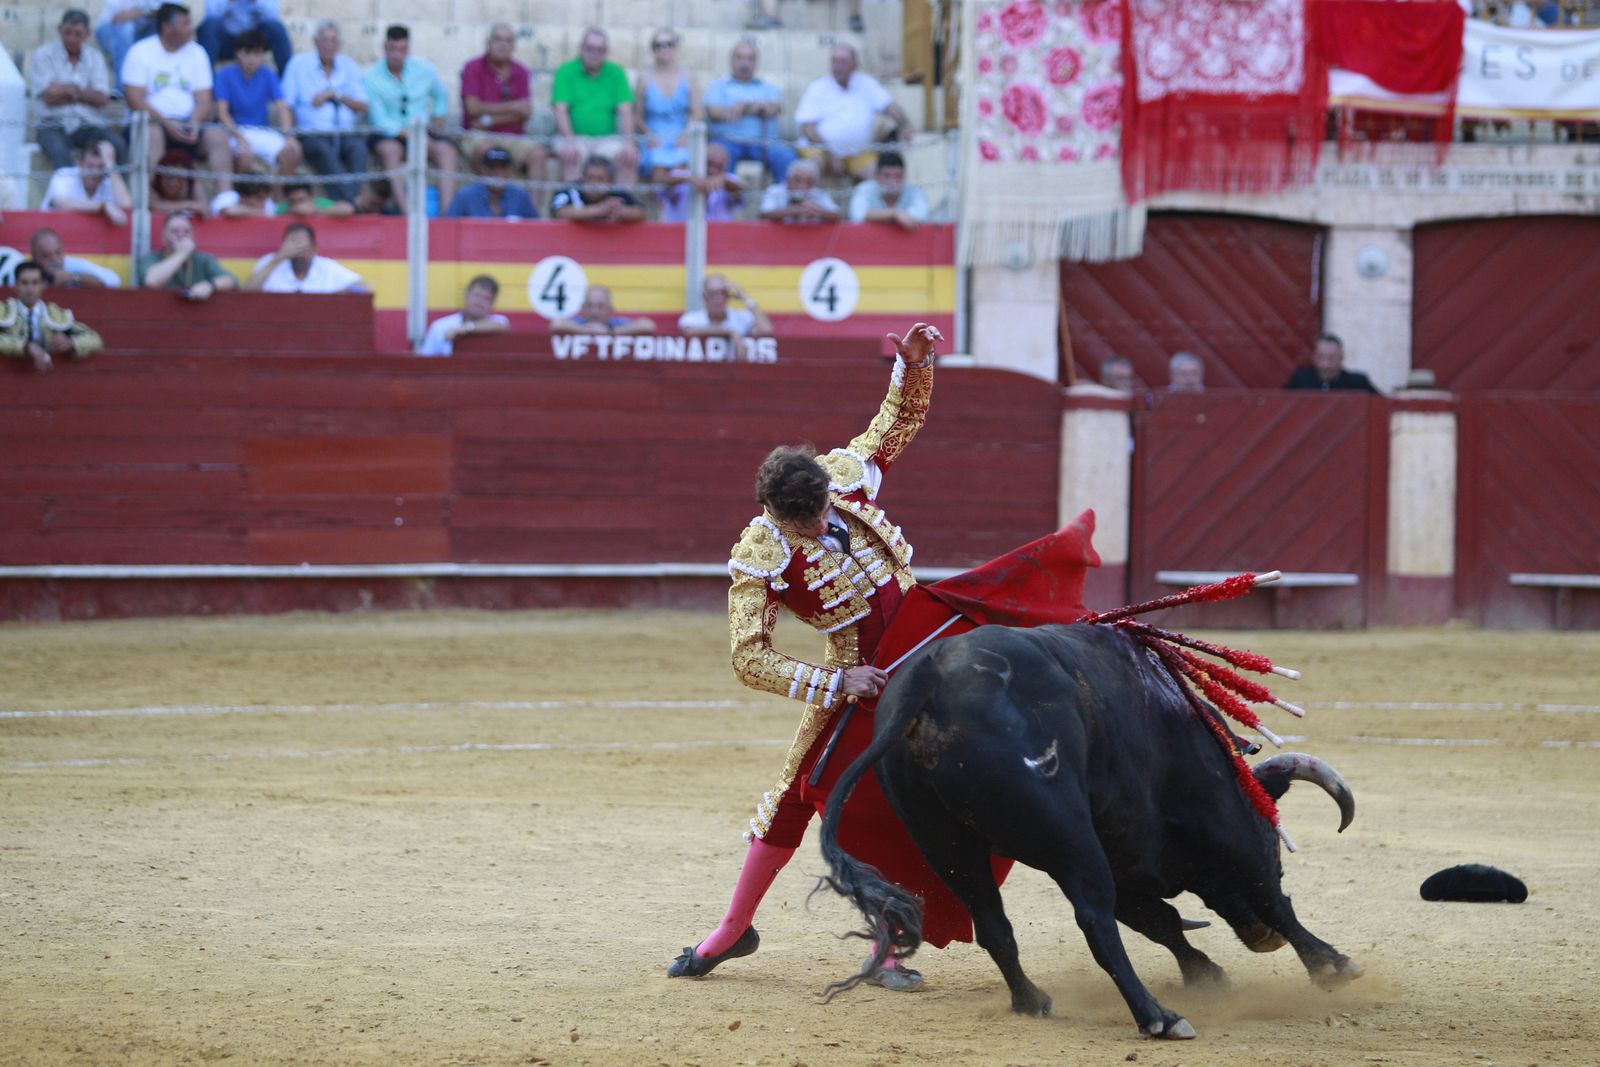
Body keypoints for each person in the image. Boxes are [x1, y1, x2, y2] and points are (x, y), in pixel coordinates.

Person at [666, 323, 944, 989]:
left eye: (821, 510)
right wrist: (837, 680)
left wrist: (912, 367)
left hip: (932, 648)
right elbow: (749, 658)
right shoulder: (761, 553)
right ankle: (735, 930)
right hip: (861, 681)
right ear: (774, 513)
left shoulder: (843, 480)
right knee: (797, 797)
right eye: (805, 522)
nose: (820, 525)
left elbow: (896, 423)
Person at [121, 3, 227, 179]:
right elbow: (135, 100)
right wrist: (166, 123)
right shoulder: (140, 51)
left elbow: (204, 100)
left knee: (218, 136)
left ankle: (225, 193)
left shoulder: (198, 52)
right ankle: (153, 191)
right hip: (152, 122)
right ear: (167, 27)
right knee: (152, 133)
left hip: (188, 124)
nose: (191, 28)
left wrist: (195, 122)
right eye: (185, 24)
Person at [365, 25, 460, 214]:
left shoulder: (424, 69)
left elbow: (441, 95)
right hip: (391, 134)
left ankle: (447, 214)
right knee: (391, 151)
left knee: (447, 152)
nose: (396, 55)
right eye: (392, 49)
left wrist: (438, 117)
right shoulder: (371, 78)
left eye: (401, 49)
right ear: (385, 47)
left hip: (421, 130)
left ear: (408, 48)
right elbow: (380, 121)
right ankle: (406, 212)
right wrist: (413, 137)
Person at [280, 20, 370, 205]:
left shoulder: (349, 66)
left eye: (333, 40)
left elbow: (363, 105)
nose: (329, 45)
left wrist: (336, 95)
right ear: (315, 42)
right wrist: (289, 136)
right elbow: (286, 104)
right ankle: (352, 203)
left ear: (339, 44)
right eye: (325, 40)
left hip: (345, 133)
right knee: (323, 151)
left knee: (359, 149)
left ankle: (350, 201)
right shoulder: (299, 64)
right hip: (312, 134)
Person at [795, 45, 913, 180]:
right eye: (834, 61)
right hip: (821, 151)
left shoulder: (867, 84)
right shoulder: (817, 87)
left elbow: (890, 106)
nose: (837, 66)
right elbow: (808, 128)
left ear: (854, 65)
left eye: (843, 61)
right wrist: (831, 154)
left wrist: (905, 125)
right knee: (809, 170)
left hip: (858, 153)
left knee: (879, 176)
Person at [29, 10, 126, 171]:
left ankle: (119, 188)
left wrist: (67, 90)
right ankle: (65, 189)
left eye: (77, 34)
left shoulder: (95, 58)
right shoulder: (44, 55)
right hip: (52, 125)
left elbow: (102, 99)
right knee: (59, 152)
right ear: (60, 30)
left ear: (87, 34)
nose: (71, 38)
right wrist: (83, 93)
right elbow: (48, 97)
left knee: (117, 145)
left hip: (87, 125)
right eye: (67, 32)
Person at [212, 29, 303, 189]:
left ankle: (277, 198)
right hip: (234, 131)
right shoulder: (224, 75)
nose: (252, 59)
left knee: (293, 151)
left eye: (257, 53)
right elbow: (222, 113)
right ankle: (243, 198)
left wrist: (288, 135)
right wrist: (239, 137)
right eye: (247, 53)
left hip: (262, 131)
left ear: (263, 55)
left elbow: (282, 107)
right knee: (244, 155)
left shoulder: (268, 75)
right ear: (237, 53)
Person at [459, 24, 546, 182]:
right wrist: (513, 107)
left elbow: (525, 112)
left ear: (513, 46)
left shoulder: (521, 71)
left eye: (508, 41)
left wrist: (488, 120)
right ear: (488, 43)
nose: (502, 44)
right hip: (479, 136)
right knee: (490, 153)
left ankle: (532, 200)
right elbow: (473, 108)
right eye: (497, 39)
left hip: (513, 137)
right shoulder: (473, 67)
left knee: (538, 154)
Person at [551, 28, 639, 185]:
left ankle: (621, 200)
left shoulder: (616, 73)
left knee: (627, 158)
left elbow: (626, 110)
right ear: (581, 48)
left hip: (606, 139)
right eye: (590, 48)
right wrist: (569, 140)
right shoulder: (565, 71)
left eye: (600, 50)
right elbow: (560, 110)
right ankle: (575, 200)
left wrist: (629, 143)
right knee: (572, 155)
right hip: (574, 137)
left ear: (606, 52)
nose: (594, 54)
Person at [704, 41, 794, 183]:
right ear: (731, 61)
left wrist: (744, 107)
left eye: (750, 59)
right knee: (715, 157)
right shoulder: (718, 86)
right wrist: (756, 107)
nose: (745, 63)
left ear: (756, 63)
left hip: (763, 143)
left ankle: (785, 196)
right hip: (727, 142)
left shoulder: (768, 88)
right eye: (740, 58)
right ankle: (719, 197)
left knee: (786, 156)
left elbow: (775, 108)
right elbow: (714, 113)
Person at [0, 259, 104, 372]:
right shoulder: (3, 311)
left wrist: (71, 343)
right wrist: (25, 347)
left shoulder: (54, 314)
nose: (30, 288)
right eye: (24, 283)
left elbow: (95, 339)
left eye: (35, 283)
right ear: (15, 286)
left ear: (42, 286)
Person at [634, 29, 700, 182]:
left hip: (681, 133)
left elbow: (696, 113)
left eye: (669, 44)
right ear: (653, 49)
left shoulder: (689, 76)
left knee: (681, 162)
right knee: (657, 166)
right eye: (658, 45)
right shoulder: (644, 77)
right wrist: (649, 135)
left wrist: (685, 134)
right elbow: (637, 116)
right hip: (654, 134)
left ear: (676, 47)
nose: (664, 49)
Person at [137, 211, 238, 299]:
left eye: (186, 232)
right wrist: (182, 253)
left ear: (193, 237)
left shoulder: (203, 259)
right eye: (174, 231)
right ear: (163, 236)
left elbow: (232, 281)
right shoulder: (151, 258)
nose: (181, 235)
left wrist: (209, 285)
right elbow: (151, 281)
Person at [244, 222, 365, 293]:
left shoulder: (327, 267)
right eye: (293, 245)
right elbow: (247, 291)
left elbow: (363, 288)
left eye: (302, 245)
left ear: (314, 247)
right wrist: (279, 258)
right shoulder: (270, 262)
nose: (297, 250)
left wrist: (333, 297)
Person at [41, 140, 132, 225]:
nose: (95, 173)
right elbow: (59, 203)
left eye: (100, 168)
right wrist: (102, 206)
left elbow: (126, 206)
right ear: (79, 163)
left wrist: (110, 166)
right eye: (90, 166)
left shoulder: (107, 183)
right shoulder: (65, 175)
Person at [417, 275, 509, 356]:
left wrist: (464, 329)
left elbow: (502, 325)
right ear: (466, 296)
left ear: (492, 304)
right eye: (477, 295)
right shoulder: (440, 327)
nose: (479, 302)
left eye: (486, 298)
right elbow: (426, 359)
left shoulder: (497, 321)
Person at [198, 0, 292, 77]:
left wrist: (255, 2)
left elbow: (272, 15)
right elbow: (211, 13)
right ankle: (205, 82)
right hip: (226, 41)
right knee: (209, 26)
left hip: (255, 40)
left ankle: (287, 79)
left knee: (276, 28)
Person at [658, 142, 744, 223]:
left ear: (726, 165)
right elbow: (661, 180)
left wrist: (724, 181)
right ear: (700, 160)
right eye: (709, 164)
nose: (712, 170)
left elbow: (742, 189)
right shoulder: (682, 175)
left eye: (719, 166)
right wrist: (688, 179)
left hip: (719, 232)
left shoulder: (728, 179)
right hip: (679, 231)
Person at [444, 146, 538, 218]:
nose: (498, 172)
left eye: (503, 167)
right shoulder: (466, 196)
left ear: (511, 170)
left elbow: (534, 229)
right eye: (492, 167)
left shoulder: (520, 196)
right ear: (482, 170)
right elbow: (449, 226)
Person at [550, 155, 646, 223]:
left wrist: (622, 211)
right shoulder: (569, 189)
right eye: (590, 177)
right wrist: (599, 210)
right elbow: (559, 212)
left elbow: (641, 212)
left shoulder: (616, 191)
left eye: (600, 179)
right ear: (582, 177)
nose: (594, 183)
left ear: (611, 181)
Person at [848, 150, 929, 230]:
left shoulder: (914, 191)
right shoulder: (865, 189)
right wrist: (894, 214)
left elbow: (920, 216)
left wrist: (884, 216)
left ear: (904, 176)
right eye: (887, 176)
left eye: (897, 176)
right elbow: (857, 215)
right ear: (877, 176)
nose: (892, 181)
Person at [677, 273, 772, 341]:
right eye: (713, 293)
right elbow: (689, 332)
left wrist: (745, 298)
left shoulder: (740, 317)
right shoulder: (692, 318)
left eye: (723, 293)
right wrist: (729, 332)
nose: (719, 298)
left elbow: (765, 330)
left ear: (728, 296)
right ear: (704, 297)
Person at [1285, 334, 1380, 393]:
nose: (1325, 364)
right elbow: (1282, 402)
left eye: (1331, 358)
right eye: (1321, 357)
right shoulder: (1301, 380)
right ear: (1314, 357)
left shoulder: (1357, 383)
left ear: (1341, 358)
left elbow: (1381, 404)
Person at [96, 0, 160, 88]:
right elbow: (118, 18)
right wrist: (148, 12)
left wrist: (142, 11)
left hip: (142, 30)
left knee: (162, 30)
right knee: (126, 30)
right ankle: (122, 88)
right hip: (109, 28)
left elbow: (171, 11)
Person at [30, 227, 121, 287]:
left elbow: (114, 280)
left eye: (58, 253)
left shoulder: (73, 265)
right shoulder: (27, 271)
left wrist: (73, 277)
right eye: (46, 255)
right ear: (34, 257)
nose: (54, 259)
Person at [758, 159, 839, 224]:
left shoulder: (819, 193)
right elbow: (764, 214)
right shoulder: (774, 191)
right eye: (797, 180)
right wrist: (795, 210)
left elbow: (837, 215)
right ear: (788, 179)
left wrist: (818, 211)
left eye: (809, 182)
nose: (802, 186)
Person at [550, 285, 654, 335]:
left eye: (600, 306)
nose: (594, 311)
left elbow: (647, 325)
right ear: (582, 309)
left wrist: (610, 332)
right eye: (589, 305)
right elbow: (557, 324)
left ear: (610, 310)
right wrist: (585, 330)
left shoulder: (617, 323)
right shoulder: (579, 322)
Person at [151, 150, 212, 216]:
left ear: (187, 179)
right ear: (160, 177)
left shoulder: (193, 186)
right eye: (168, 176)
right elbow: (154, 206)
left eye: (179, 177)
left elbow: (204, 209)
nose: (173, 182)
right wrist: (190, 205)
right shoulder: (153, 186)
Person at [276, 180, 354, 217]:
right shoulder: (284, 206)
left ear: (312, 196)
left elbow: (348, 209)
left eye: (301, 200)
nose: (298, 205)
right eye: (292, 201)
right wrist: (291, 212)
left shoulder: (320, 203)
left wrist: (316, 210)